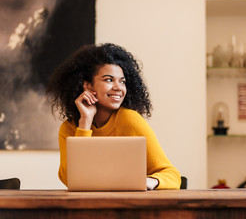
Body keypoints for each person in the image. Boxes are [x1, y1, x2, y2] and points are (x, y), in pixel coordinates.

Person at [46, 43, 181, 190]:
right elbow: (70, 179)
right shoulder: (69, 129)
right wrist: (85, 122)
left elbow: (172, 174)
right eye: (109, 80)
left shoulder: (130, 120)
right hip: (86, 205)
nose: (118, 88)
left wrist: (150, 181)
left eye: (122, 81)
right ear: (88, 86)